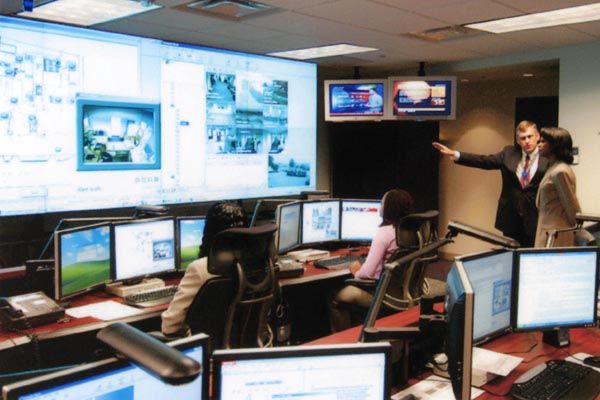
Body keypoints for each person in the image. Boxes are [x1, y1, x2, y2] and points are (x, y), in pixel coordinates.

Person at [432, 120, 548, 247]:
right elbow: (484, 161)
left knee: (532, 255)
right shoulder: (508, 153)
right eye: (523, 138)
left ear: (537, 136)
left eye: (530, 136)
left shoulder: (548, 158)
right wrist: (455, 154)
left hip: (535, 215)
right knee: (511, 255)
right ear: (518, 140)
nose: (527, 141)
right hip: (511, 216)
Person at [328, 189, 415, 332]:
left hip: (383, 296)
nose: (380, 207)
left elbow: (367, 273)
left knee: (334, 296)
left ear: (389, 208)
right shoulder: (413, 233)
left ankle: (343, 342)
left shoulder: (384, 233)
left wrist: (356, 270)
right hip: (405, 294)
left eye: (382, 203)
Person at [161, 201, 246, 336]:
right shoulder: (258, 262)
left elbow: (170, 326)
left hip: (205, 348)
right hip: (251, 344)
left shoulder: (201, 268)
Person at [534, 127, 581, 247]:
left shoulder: (560, 171)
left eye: (543, 141)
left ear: (555, 145)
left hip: (557, 234)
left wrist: (578, 231)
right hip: (546, 230)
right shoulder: (553, 168)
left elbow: (572, 207)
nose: (539, 145)